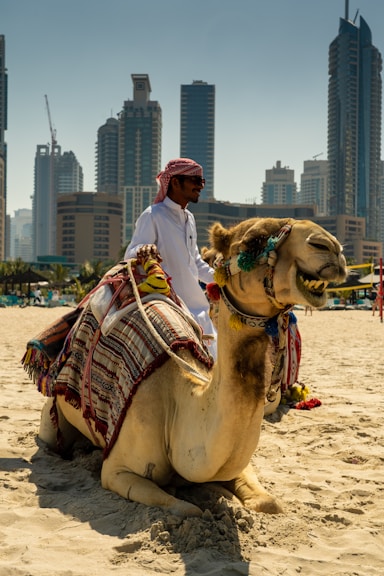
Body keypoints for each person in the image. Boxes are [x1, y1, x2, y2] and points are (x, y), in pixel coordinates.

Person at [124, 157, 217, 358]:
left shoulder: (189, 218)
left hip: (198, 309)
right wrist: (143, 249)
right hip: (168, 307)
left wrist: (222, 278)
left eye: (202, 181)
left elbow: (195, 263)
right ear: (175, 182)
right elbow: (130, 254)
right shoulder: (153, 215)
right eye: (195, 180)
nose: (200, 186)